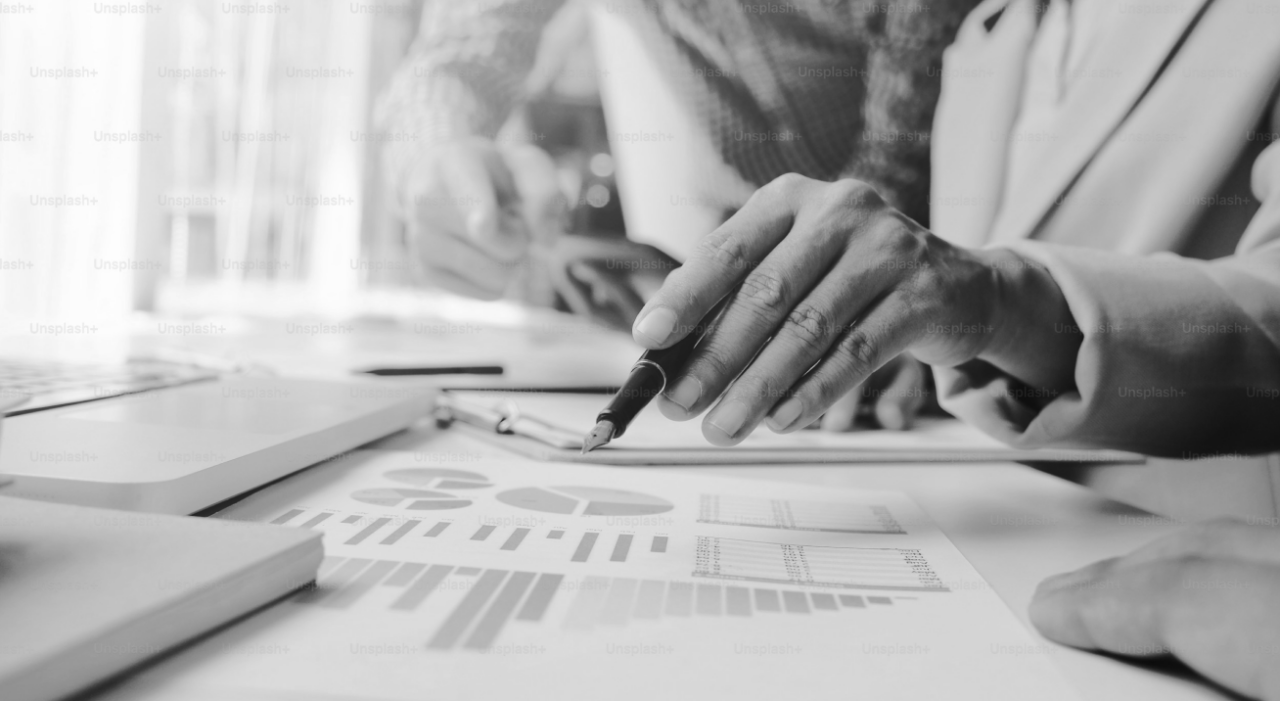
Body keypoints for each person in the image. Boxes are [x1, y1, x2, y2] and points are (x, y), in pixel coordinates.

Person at [627, 0, 1280, 697]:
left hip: (1197, 592)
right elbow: (970, 302)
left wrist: (999, 300)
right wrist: (910, 336)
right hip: (992, 556)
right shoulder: (985, 31)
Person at [376, 0, 983, 430]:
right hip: (774, 304)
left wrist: (851, 300)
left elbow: (893, 167)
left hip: (968, 292)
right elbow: (456, 57)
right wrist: (434, 158)